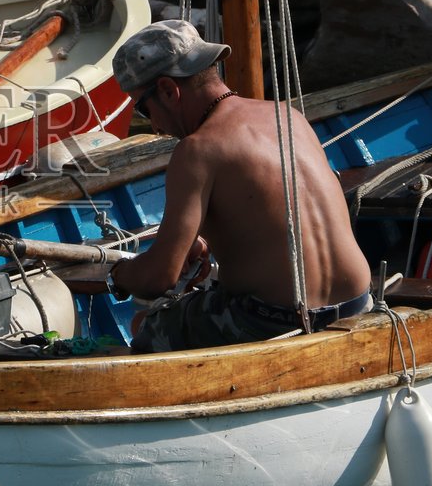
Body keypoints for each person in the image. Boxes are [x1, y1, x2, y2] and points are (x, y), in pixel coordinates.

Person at [105, 20, 372, 351]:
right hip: (357, 302)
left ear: (167, 90)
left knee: (145, 327)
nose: (156, 126)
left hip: (277, 321)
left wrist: (118, 275)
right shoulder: (288, 115)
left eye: (144, 110)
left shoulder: (197, 150)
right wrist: (201, 237)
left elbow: (159, 278)